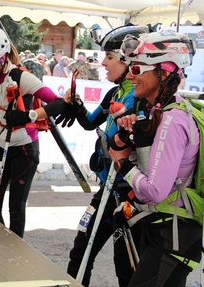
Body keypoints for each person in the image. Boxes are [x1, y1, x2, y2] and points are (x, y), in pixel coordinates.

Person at [57, 25, 149, 287]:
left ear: (128, 58)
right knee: (80, 251)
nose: (103, 63)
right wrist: (75, 104)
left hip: (129, 193)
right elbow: (89, 122)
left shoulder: (140, 96)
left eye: (109, 57)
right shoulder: (114, 92)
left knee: (127, 265)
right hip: (107, 188)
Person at [109, 31, 200, 287]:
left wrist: (122, 163)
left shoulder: (172, 120)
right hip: (163, 230)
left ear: (163, 71)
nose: (129, 76)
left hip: (173, 236)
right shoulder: (157, 112)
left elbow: (156, 190)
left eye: (137, 69)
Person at [0, 28, 63, 238]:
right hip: (0, 146)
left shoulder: (21, 78)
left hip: (24, 148)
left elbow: (58, 104)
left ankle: (14, 256)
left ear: (2, 59)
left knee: (16, 209)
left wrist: (27, 116)